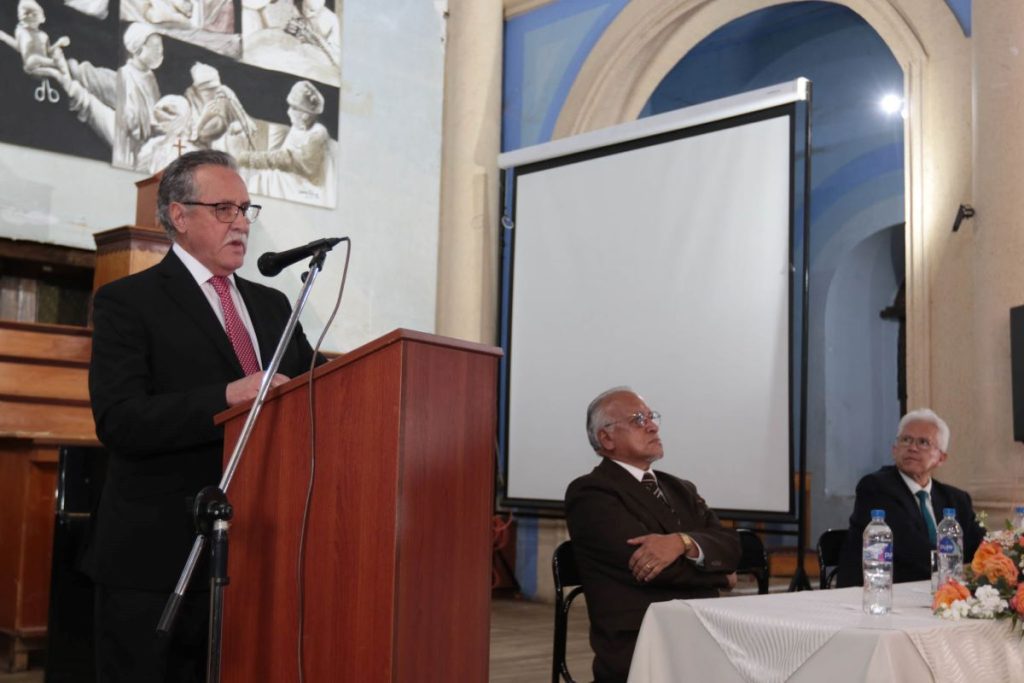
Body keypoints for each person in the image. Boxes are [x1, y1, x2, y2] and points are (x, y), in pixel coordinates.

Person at [85, 150, 322, 682]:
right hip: (156, 556)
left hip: (258, 550)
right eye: (223, 209)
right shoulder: (129, 301)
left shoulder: (272, 306)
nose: (241, 223)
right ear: (178, 215)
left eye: (245, 209)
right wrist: (228, 396)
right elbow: (120, 420)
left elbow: (322, 390)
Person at [565, 387, 741, 683]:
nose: (652, 426)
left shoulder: (680, 488)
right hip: (643, 641)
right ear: (606, 438)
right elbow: (651, 569)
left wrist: (681, 543)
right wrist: (721, 575)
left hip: (704, 630)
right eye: (637, 419)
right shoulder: (591, 492)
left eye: (651, 417)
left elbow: (732, 547)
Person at [836, 408, 986, 587]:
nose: (912, 448)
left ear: (941, 458)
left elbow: (980, 548)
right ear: (894, 449)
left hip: (939, 593)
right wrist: (963, 570)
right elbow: (911, 549)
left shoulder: (956, 499)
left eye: (923, 442)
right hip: (881, 593)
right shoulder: (875, 488)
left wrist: (992, 563)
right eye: (906, 440)